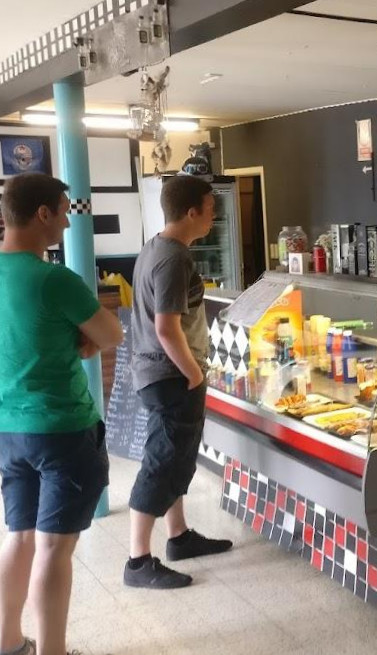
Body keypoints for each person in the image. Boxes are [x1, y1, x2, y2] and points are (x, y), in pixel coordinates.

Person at [0, 173, 123, 655]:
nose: (68, 223)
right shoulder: (55, 279)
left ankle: (9, 642)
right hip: (62, 431)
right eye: (64, 212)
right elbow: (111, 333)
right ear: (42, 214)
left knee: (20, 537)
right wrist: (81, 339)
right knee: (54, 547)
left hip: (9, 431)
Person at [125, 175, 232, 590]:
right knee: (161, 461)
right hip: (171, 375)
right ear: (191, 212)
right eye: (210, 208)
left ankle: (179, 536)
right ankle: (138, 560)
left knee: (176, 458)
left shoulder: (155, 247)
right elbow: (166, 327)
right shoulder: (174, 258)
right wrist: (194, 372)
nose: (213, 216)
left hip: (160, 373)